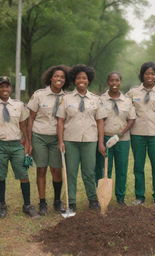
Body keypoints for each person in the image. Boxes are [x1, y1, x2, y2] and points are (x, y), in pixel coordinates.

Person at [57, 64, 106, 212]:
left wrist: (101, 142)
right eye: (78, 77)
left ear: (88, 80)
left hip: (90, 140)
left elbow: (100, 121)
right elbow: (60, 120)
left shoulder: (96, 99)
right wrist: (60, 141)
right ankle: (71, 202)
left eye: (84, 78)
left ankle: (92, 199)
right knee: (71, 172)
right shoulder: (66, 99)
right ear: (74, 80)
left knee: (89, 172)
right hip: (70, 140)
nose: (81, 80)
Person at [27, 65, 69, 216]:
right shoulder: (39, 95)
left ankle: (57, 201)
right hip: (40, 136)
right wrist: (29, 141)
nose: (59, 79)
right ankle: (42, 202)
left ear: (65, 80)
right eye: (56, 76)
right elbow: (30, 119)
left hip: (57, 138)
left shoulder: (67, 97)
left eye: (62, 77)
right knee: (42, 169)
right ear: (51, 78)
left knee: (57, 170)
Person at [126, 62, 155, 206]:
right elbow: (125, 109)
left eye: (152, 73)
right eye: (147, 73)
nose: (150, 76)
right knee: (138, 166)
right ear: (142, 75)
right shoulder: (133, 92)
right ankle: (139, 196)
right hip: (137, 134)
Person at [95, 72, 136, 206]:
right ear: (108, 82)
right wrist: (101, 141)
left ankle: (120, 197)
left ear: (120, 82)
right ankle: (102, 197)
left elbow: (131, 119)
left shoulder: (127, 100)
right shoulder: (100, 99)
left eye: (117, 80)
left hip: (122, 139)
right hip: (106, 137)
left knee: (122, 168)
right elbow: (99, 119)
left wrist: (120, 134)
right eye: (112, 80)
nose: (114, 83)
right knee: (104, 168)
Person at [0, 76, 38, 218]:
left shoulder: (19, 105)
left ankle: (27, 205)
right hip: (1, 145)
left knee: (23, 174)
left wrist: (28, 142)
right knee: (0, 176)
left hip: (17, 145)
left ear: (10, 88)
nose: (4, 89)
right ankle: (1, 205)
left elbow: (23, 125)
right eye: (1, 86)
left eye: (7, 86)